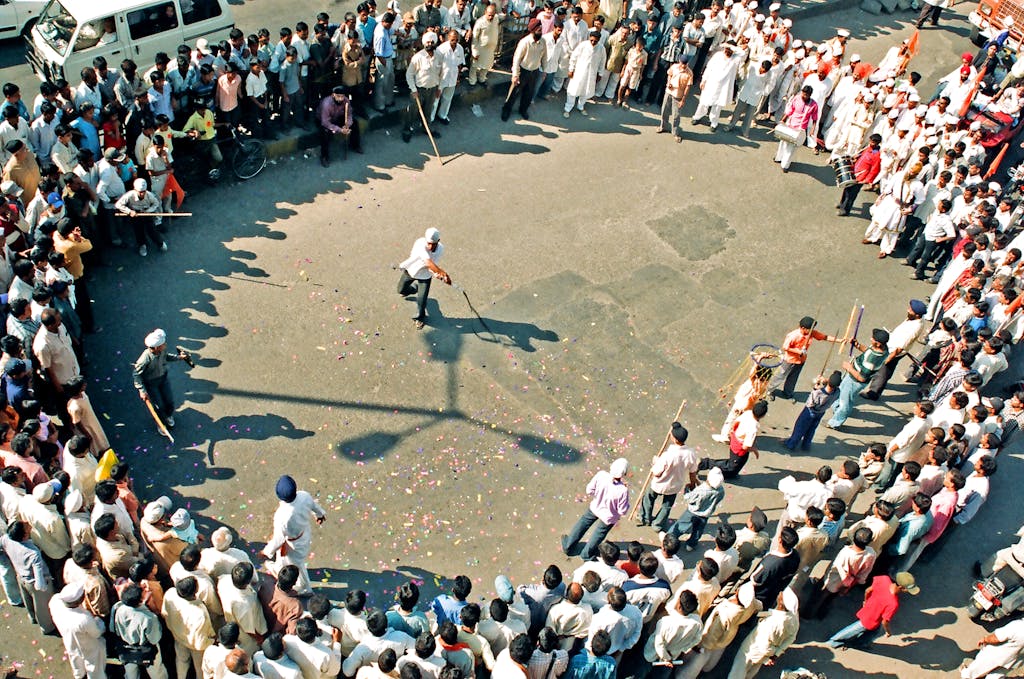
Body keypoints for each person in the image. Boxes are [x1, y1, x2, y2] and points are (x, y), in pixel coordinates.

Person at [262, 475, 326, 597]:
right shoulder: (304, 495)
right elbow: (314, 506)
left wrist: (266, 551)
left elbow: (279, 539)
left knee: (298, 565)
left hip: (293, 543)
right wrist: (320, 514)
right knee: (283, 558)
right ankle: (277, 567)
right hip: (303, 534)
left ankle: (306, 588)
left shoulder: (281, 515)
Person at [826, 571, 919, 648]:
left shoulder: (884, 579)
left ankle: (861, 643)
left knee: (872, 632)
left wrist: (865, 602)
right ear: (901, 587)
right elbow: (884, 622)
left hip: (868, 609)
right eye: (907, 589)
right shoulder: (893, 603)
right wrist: (888, 632)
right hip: (872, 620)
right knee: (855, 629)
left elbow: (868, 590)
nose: (907, 591)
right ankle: (834, 641)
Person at [561, 458, 630, 561]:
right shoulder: (623, 490)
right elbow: (622, 511)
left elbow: (589, 490)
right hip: (609, 517)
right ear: (623, 474)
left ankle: (568, 546)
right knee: (599, 534)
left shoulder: (601, 475)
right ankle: (586, 554)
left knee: (582, 524)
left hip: (595, 507)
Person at [726, 588, 799, 679]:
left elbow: (763, 645)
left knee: (738, 671)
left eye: (781, 594)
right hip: (768, 652)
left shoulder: (771, 623)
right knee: (752, 671)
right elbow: (792, 638)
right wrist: (776, 654)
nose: (780, 593)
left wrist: (766, 659)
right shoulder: (794, 617)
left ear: (781, 602)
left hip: (752, 650)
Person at [638, 421, 697, 531]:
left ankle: (645, 518)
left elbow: (656, 472)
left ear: (675, 439)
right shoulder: (690, 453)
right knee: (667, 506)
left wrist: (656, 462)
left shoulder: (668, 455)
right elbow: (692, 471)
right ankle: (658, 524)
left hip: (659, 484)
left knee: (648, 498)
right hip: (674, 486)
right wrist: (692, 484)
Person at [826, 329, 890, 429]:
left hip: (854, 381)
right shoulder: (883, 349)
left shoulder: (872, 359)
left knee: (845, 403)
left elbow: (862, 378)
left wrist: (849, 368)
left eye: (873, 339)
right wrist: (857, 345)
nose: (870, 339)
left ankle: (835, 423)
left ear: (878, 344)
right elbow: (868, 351)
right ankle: (836, 408)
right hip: (852, 377)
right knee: (841, 394)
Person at [770, 316, 839, 400]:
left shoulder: (811, 333)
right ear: (803, 328)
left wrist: (839, 340)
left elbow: (825, 337)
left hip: (801, 360)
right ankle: (769, 391)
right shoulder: (793, 335)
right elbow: (785, 347)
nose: (812, 330)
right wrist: (798, 351)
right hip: (789, 360)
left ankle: (788, 393)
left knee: (793, 378)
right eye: (810, 329)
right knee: (779, 376)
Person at [133, 328, 189, 429]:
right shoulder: (145, 359)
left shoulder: (162, 351)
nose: (165, 345)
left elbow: (167, 357)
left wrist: (179, 357)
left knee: (169, 401)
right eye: (163, 345)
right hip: (151, 383)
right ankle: (161, 422)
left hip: (163, 379)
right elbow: (136, 374)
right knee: (159, 405)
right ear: (155, 348)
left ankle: (168, 416)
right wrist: (141, 390)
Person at [396, 227, 451, 329]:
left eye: (433, 244)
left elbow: (433, 264)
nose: (430, 247)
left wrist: (437, 274)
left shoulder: (441, 249)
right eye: (428, 243)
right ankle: (414, 288)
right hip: (411, 270)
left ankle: (420, 317)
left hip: (425, 275)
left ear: (438, 241)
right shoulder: (420, 243)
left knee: (422, 300)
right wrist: (443, 274)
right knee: (400, 290)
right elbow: (428, 262)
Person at [49, 582, 106, 679]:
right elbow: (96, 633)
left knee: (75, 658)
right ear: (78, 601)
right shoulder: (83, 618)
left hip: (69, 640)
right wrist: (99, 622)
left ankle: (79, 675)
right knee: (93, 664)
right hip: (88, 645)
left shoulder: (54, 601)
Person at [112, 583, 169, 679]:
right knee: (157, 674)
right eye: (144, 592)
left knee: (131, 675)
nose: (146, 590)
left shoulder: (118, 609)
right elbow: (155, 639)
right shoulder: (149, 618)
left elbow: (114, 629)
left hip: (126, 649)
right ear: (140, 601)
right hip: (146, 651)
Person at [700, 400, 768, 479]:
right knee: (731, 466)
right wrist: (754, 450)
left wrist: (732, 432)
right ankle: (705, 463)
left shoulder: (748, 413)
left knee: (735, 465)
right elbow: (745, 447)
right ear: (763, 415)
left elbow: (736, 422)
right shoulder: (753, 428)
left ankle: (729, 474)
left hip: (735, 439)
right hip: (739, 448)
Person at [782, 371, 841, 451]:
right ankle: (806, 446)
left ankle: (791, 444)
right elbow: (830, 386)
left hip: (809, 412)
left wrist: (815, 388)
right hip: (820, 412)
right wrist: (823, 381)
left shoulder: (817, 392)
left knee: (800, 428)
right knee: (811, 429)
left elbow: (810, 404)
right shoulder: (837, 392)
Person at [502, 20, 547, 121]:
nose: (540, 32)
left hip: (534, 71)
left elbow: (544, 56)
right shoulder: (524, 42)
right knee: (514, 93)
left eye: (541, 30)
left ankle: (523, 110)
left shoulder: (543, 42)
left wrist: (544, 71)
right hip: (523, 71)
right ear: (532, 30)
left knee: (529, 93)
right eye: (538, 30)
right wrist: (515, 75)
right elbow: (517, 59)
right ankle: (506, 110)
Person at [403, 32, 442, 143]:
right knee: (412, 112)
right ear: (424, 43)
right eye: (428, 42)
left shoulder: (439, 56)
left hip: (433, 89)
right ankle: (407, 130)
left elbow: (442, 73)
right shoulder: (418, 57)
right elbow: (409, 74)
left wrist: (439, 88)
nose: (430, 44)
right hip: (418, 90)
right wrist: (413, 90)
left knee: (428, 111)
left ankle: (426, 128)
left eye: (432, 42)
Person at [691, 41, 741, 130]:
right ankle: (697, 117)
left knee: (717, 106)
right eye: (727, 48)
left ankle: (713, 123)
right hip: (711, 83)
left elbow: (742, 53)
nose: (728, 50)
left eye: (730, 49)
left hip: (723, 87)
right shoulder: (718, 55)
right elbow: (709, 68)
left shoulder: (735, 59)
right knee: (703, 101)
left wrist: (732, 47)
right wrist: (704, 80)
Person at [114, 178, 166, 257]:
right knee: (138, 231)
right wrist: (129, 211)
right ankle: (142, 245)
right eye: (140, 192)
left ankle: (160, 243)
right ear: (135, 189)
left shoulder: (149, 195)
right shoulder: (129, 195)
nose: (142, 194)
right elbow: (118, 205)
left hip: (147, 213)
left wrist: (148, 211)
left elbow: (156, 204)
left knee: (152, 230)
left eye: (143, 192)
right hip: (135, 214)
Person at [774, 85, 819, 173]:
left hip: (800, 129)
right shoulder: (797, 98)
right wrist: (783, 120)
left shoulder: (814, 105)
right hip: (790, 124)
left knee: (791, 147)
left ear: (810, 95)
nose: (803, 96)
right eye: (803, 93)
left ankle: (785, 165)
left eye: (806, 95)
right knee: (783, 142)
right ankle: (778, 158)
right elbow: (790, 110)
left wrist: (812, 129)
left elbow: (815, 119)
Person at [564, 30, 606, 118]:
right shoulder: (583, 45)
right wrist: (571, 69)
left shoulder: (601, 48)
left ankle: (580, 106)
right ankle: (568, 108)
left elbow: (602, 62)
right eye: (591, 40)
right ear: (589, 38)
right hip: (579, 72)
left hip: (591, 74)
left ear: (599, 40)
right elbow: (573, 57)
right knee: (573, 90)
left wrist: (600, 74)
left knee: (586, 91)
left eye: (595, 41)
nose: (593, 42)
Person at [318, 86, 363, 167]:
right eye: (338, 96)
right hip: (324, 120)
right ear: (333, 95)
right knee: (324, 132)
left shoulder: (346, 101)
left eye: (342, 96)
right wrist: (340, 130)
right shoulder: (326, 104)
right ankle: (324, 157)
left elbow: (349, 114)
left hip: (337, 117)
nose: (340, 99)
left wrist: (347, 125)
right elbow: (325, 122)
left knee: (355, 123)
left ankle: (355, 145)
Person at [658, 54, 692, 141]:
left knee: (676, 115)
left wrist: (683, 100)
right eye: (682, 63)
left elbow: (687, 87)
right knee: (664, 110)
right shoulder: (674, 67)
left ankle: (675, 133)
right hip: (669, 92)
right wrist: (668, 82)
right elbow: (669, 74)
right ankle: (662, 126)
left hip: (678, 96)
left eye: (685, 63)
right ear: (679, 62)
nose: (684, 65)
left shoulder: (689, 73)